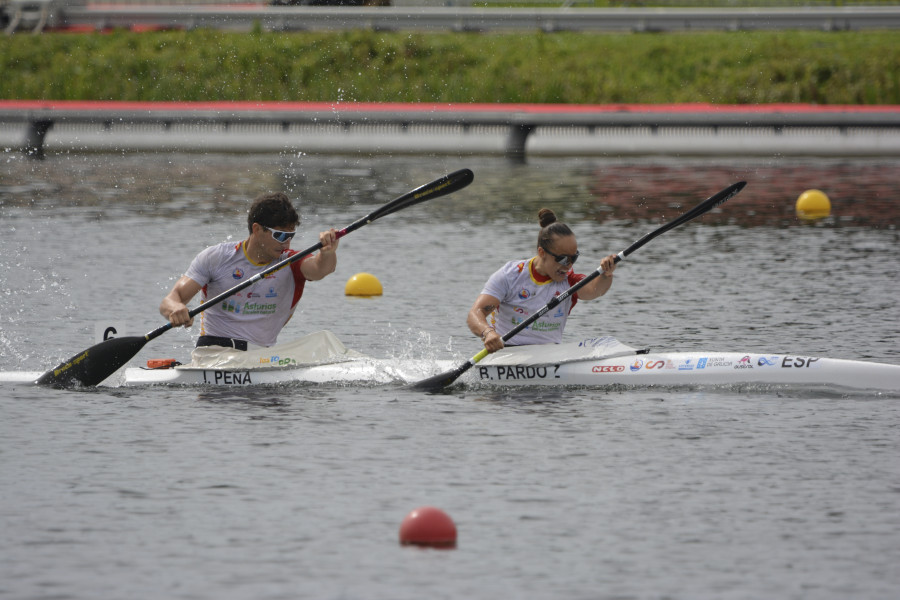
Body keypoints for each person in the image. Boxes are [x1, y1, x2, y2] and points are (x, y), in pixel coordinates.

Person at [160, 192, 339, 361]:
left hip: (261, 358)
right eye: (280, 235)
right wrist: (176, 309)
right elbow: (171, 300)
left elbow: (320, 269)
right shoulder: (216, 258)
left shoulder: (291, 262)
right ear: (257, 229)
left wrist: (327, 253)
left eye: (290, 236)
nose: (286, 243)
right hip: (214, 353)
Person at [467, 208, 617, 353]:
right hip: (507, 354)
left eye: (574, 258)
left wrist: (605, 275)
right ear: (542, 252)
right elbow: (475, 313)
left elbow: (595, 291)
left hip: (549, 355)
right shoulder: (511, 275)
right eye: (563, 259)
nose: (569, 265)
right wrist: (488, 333)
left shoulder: (569, 280)